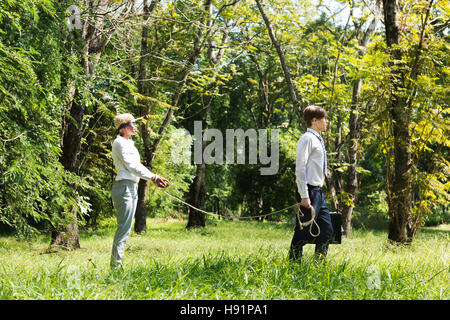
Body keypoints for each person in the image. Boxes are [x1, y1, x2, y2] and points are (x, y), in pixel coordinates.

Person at [110, 113, 170, 270]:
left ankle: (117, 266)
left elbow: (139, 166)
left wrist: (154, 177)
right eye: (133, 123)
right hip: (124, 187)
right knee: (123, 228)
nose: (136, 126)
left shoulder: (129, 144)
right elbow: (131, 166)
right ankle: (116, 268)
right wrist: (153, 177)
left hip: (131, 186)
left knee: (126, 229)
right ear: (125, 127)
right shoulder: (119, 143)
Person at [289, 105, 333, 263]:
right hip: (308, 191)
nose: (326, 122)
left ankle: (318, 266)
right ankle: (293, 265)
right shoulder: (306, 139)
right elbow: (300, 169)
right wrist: (304, 195)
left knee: (327, 230)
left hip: (318, 191)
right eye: (324, 119)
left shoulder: (317, 139)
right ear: (315, 120)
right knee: (302, 231)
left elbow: (312, 164)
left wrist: (323, 172)